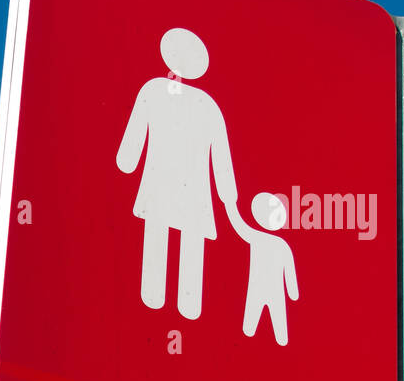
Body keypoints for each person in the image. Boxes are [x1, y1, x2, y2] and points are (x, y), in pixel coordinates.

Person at [116, 28, 236, 320]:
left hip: (160, 185)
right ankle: (186, 306)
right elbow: (222, 160)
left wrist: (127, 161)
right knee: (187, 245)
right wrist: (228, 198)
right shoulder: (208, 106)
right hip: (195, 195)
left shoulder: (154, 89)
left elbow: (132, 144)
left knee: (158, 236)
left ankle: (156, 299)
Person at [223, 193, 299, 346]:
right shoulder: (279, 244)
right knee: (263, 324)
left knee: (262, 323)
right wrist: (293, 293)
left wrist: (228, 203)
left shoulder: (258, 238)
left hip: (263, 289)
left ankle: (265, 336)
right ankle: (273, 338)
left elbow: (238, 224)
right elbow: (290, 272)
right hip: (265, 289)